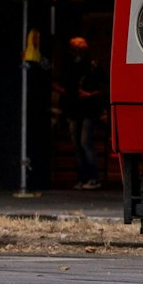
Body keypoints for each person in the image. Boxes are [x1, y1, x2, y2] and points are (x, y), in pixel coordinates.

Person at [59, 37, 106, 190]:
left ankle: (93, 178)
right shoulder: (69, 66)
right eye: (75, 47)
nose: (77, 51)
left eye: (80, 47)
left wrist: (90, 94)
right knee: (77, 145)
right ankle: (82, 178)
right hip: (74, 109)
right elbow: (62, 84)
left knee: (85, 142)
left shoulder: (92, 64)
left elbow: (104, 86)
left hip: (89, 109)